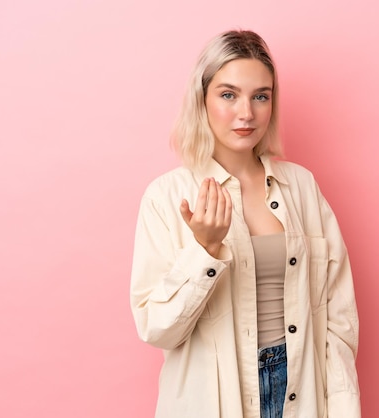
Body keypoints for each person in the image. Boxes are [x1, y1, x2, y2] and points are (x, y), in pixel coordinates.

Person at [130, 29, 360, 418]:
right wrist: (203, 251)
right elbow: (157, 329)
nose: (246, 113)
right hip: (216, 399)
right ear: (202, 100)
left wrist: (342, 408)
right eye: (228, 94)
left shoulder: (301, 187)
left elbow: (338, 322)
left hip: (301, 391)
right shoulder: (166, 197)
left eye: (261, 96)